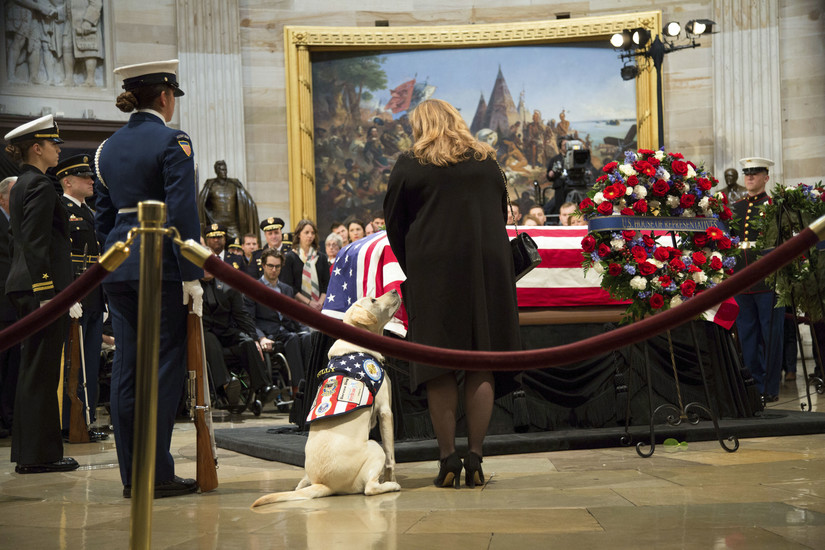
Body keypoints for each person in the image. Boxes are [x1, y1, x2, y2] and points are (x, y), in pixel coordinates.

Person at [384, 98, 521, 489]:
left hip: (434, 270)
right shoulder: (487, 161)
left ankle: (447, 459)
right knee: (482, 360)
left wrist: (417, 262)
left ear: (420, 124)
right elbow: (498, 211)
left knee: (438, 364)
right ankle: (475, 456)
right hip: (487, 270)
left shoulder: (411, 163)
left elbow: (395, 222)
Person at [94, 59, 202, 498]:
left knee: (127, 369)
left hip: (117, 265)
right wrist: (191, 273)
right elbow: (182, 211)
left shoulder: (105, 149)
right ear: (164, 96)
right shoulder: (173, 141)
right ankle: (156, 474)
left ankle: (131, 475)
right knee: (162, 367)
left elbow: (103, 220)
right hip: (160, 266)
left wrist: (120, 255)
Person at [4, 114, 79, 473]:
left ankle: (34, 452)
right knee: (42, 371)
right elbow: (35, 243)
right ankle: (38, 455)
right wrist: (48, 292)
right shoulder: (41, 185)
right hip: (40, 288)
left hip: (27, 285)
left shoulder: (23, 183)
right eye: (53, 144)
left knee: (35, 370)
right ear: (37, 147)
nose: (57, 149)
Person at [55, 154, 107, 441]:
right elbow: (61, 257)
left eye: (91, 176)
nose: (91, 181)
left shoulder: (90, 212)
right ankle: (67, 422)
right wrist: (67, 295)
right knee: (72, 361)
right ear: (67, 181)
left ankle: (86, 420)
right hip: (74, 294)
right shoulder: (61, 209)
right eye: (84, 177)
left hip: (93, 296)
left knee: (91, 360)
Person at [731, 156, 783, 403]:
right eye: (747, 172)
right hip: (742, 280)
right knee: (747, 337)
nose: (749, 176)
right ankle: (754, 385)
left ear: (766, 177)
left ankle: (770, 388)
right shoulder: (737, 208)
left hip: (768, 282)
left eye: (755, 172)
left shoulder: (776, 207)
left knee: (771, 336)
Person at [200, 267, 277, 407]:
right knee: (210, 340)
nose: (207, 269)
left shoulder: (228, 285)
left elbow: (241, 315)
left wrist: (255, 339)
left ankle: (263, 388)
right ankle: (226, 386)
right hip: (203, 332)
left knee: (247, 342)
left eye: (209, 265)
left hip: (225, 331)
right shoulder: (190, 285)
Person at [244, 249, 312, 394]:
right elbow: (249, 319)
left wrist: (305, 328)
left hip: (287, 330)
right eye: (270, 266)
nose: (274, 270)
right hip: (270, 335)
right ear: (263, 265)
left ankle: (312, 382)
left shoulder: (286, 289)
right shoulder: (253, 288)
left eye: (277, 266)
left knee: (308, 337)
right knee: (293, 339)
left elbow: (293, 315)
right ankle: (298, 388)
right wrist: (261, 337)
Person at [197, 160, 259, 243]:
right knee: (216, 249)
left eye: (225, 169)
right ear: (216, 171)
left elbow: (248, 201)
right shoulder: (211, 186)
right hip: (216, 224)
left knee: (237, 247)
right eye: (222, 170)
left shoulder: (234, 185)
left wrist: (251, 206)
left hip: (232, 226)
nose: (224, 172)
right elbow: (201, 203)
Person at [0, 177, 18, 439]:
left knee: (13, 365)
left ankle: (9, 417)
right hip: (1, 302)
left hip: (14, 304)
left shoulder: (18, 223)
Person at [281, 219, 330, 311]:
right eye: (306, 232)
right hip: (298, 306)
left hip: (320, 306)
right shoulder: (290, 257)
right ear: (299, 234)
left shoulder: (322, 257)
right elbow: (289, 286)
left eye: (312, 233)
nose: (310, 236)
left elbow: (326, 284)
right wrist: (309, 302)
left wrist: (319, 303)